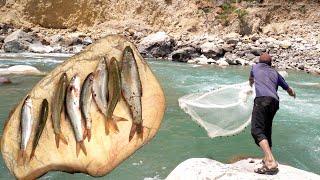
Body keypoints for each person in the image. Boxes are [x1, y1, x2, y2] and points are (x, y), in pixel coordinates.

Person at [249, 53, 296, 175]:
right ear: (271, 64)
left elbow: (251, 80)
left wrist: (250, 85)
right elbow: (288, 89)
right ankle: (267, 159)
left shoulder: (254, 67)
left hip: (262, 101)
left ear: (259, 62)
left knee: (257, 130)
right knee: (266, 130)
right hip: (274, 102)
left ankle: (270, 162)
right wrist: (292, 94)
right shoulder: (275, 72)